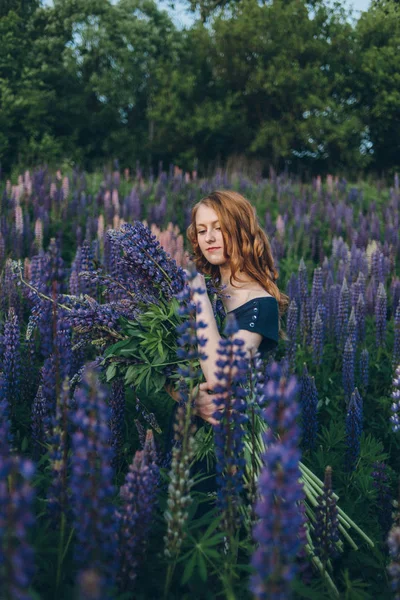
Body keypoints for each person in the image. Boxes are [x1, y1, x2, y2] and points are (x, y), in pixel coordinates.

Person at [164, 189, 288, 423]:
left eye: (218, 227)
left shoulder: (261, 304)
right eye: (202, 231)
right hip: (184, 430)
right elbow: (162, 368)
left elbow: (219, 376)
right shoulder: (196, 290)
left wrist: (199, 294)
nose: (209, 237)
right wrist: (188, 397)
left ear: (241, 230)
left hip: (234, 438)